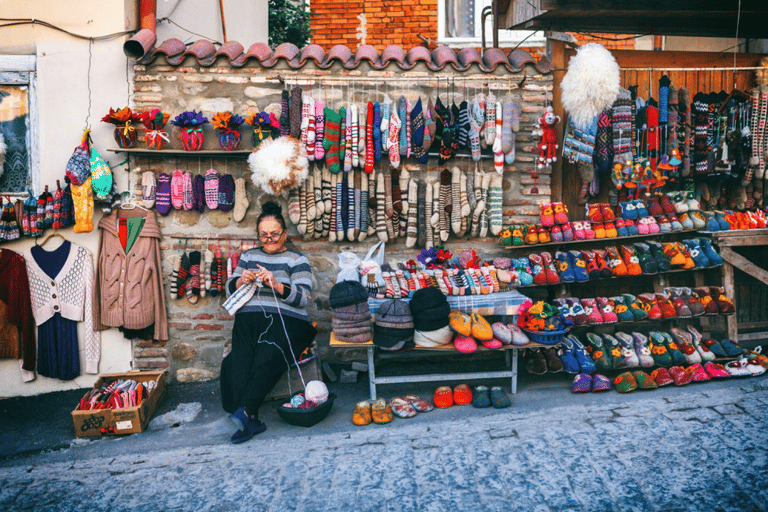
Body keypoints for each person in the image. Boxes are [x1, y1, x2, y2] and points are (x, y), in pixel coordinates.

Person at [222, 201, 316, 443]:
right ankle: (249, 417)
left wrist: (276, 284)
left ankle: (245, 412)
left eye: (275, 234)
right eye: (264, 235)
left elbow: (304, 298)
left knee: (267, 354)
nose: (270, 239)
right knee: (240, 360)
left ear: (284, 234)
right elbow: (229, 289)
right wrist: (241, 280)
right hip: (249, 320)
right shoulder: (248, 256)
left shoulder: (297, 259)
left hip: (289, 322)